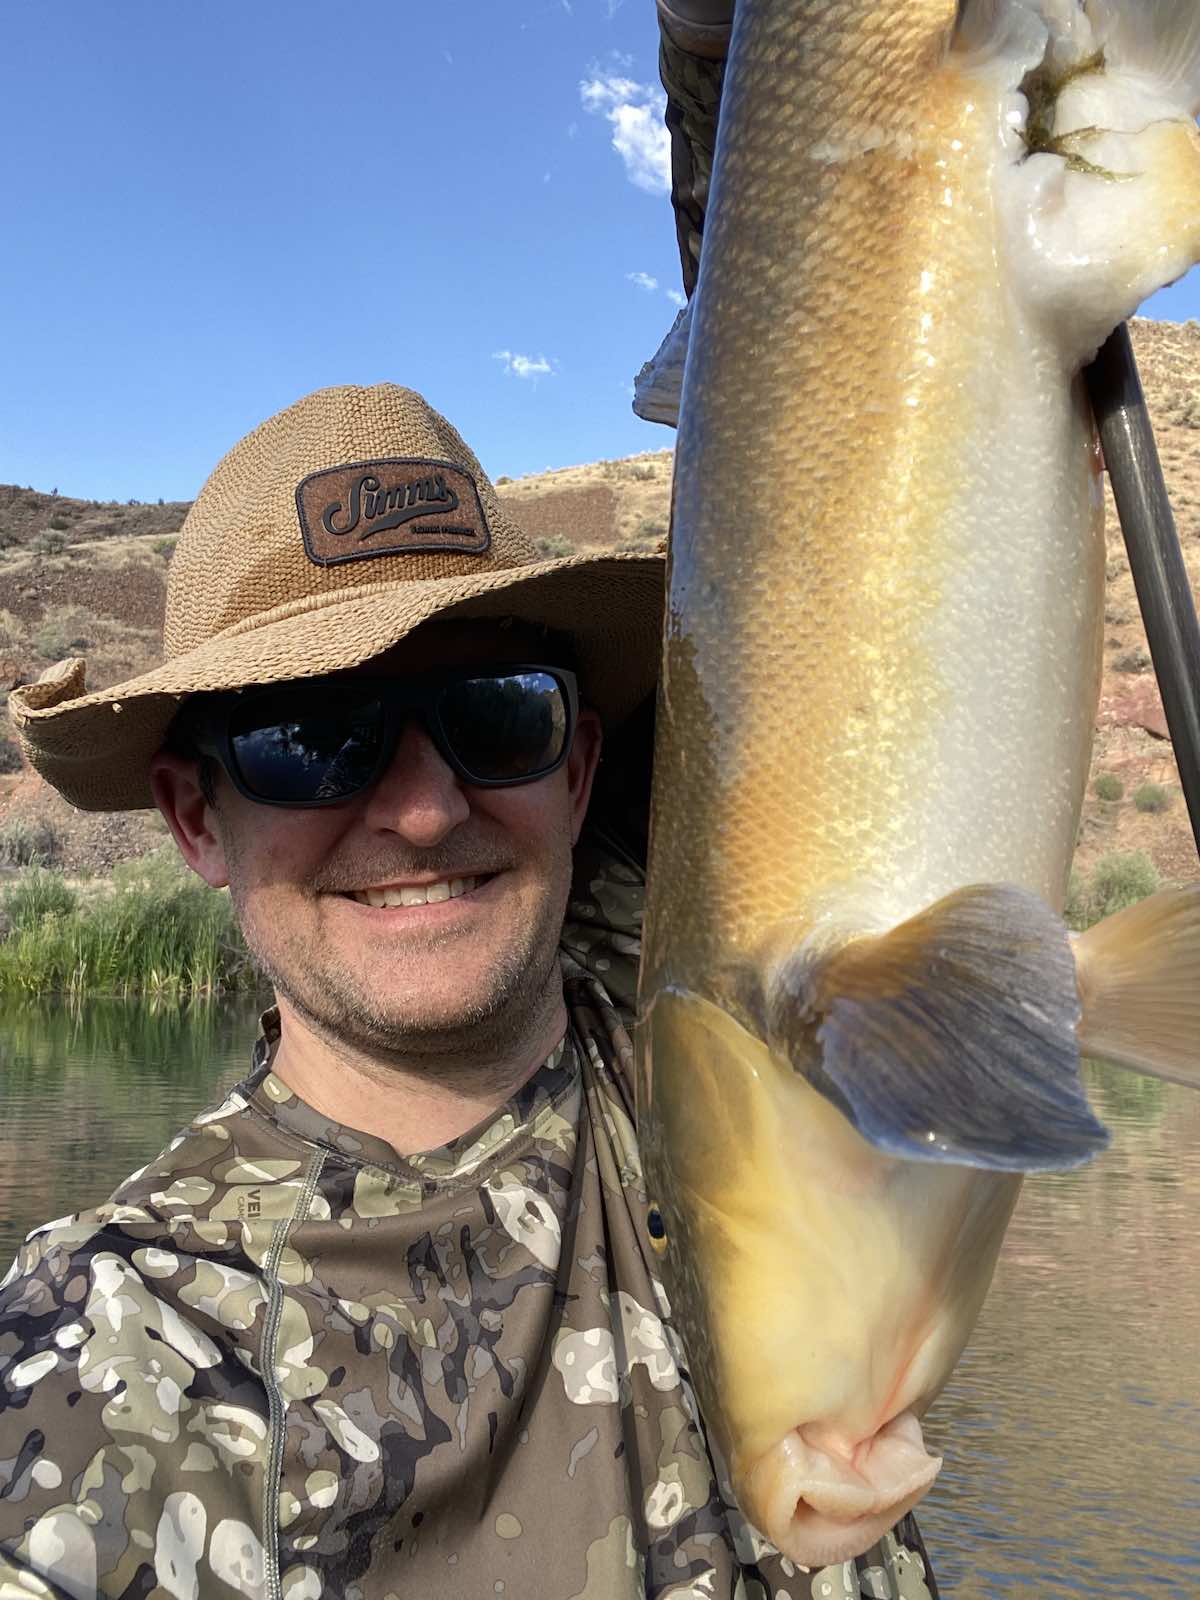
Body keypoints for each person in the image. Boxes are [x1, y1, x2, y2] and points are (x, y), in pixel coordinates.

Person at [1, 384, 938, 1598]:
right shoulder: (114, 1354)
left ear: (584, 765)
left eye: (499, 715)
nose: (429, 808)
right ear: (194, 814)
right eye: (312, 735)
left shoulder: (745, 1060)